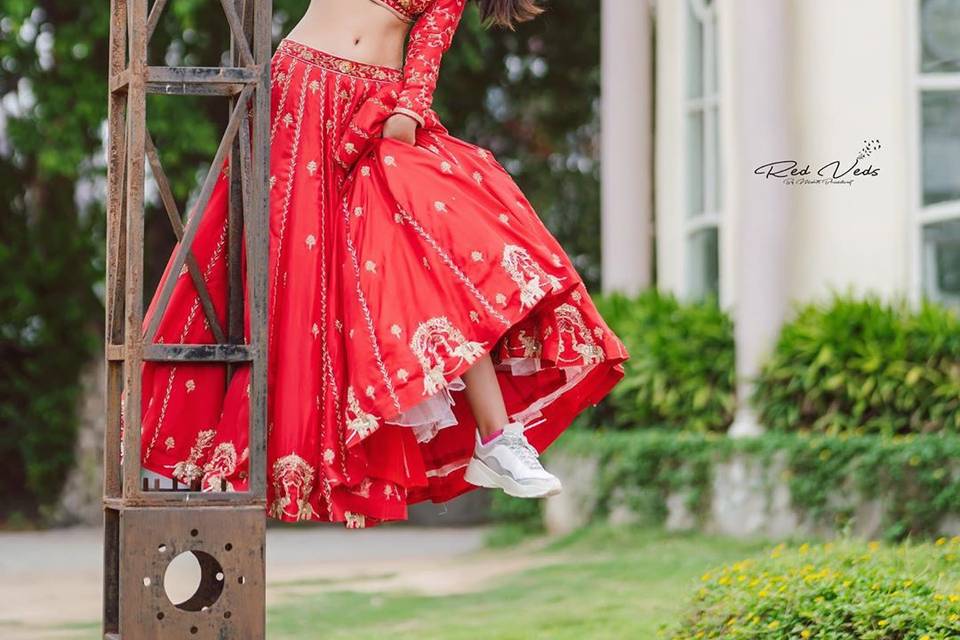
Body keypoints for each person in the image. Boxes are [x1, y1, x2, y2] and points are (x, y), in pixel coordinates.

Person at [133, 0, 629, 528]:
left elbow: (429, 48)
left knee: (447, 253)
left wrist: (408, 111)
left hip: (380, 116)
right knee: (288, 288)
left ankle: (498, 437)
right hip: (301, 100)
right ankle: (230, 442)